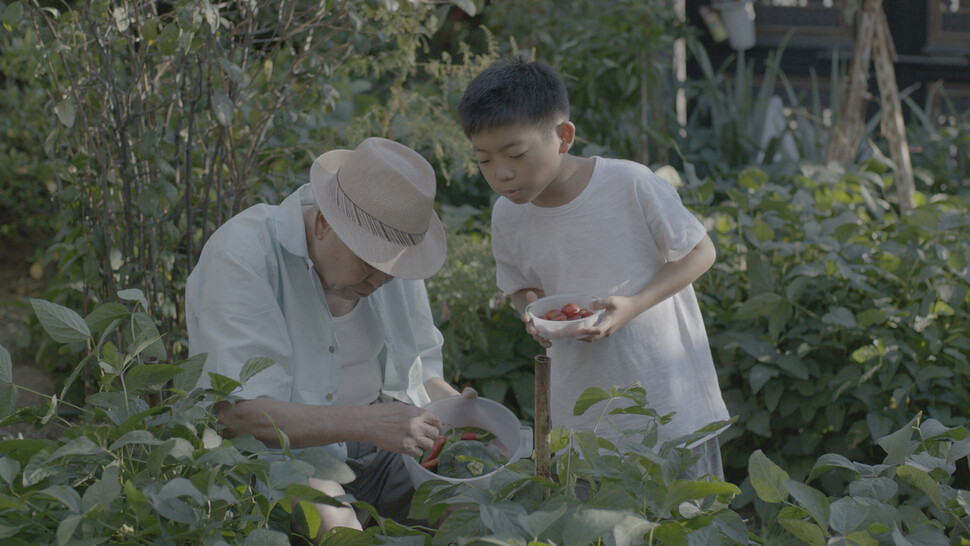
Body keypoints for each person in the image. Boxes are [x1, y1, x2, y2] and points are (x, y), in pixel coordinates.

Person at [185, 137, 474, 537]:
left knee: (470, 512)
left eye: (392, 270)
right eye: (368, 262)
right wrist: (367, 422)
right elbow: (238, 414)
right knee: (341, 529)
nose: (380, 281)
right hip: (278, 458)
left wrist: (459, 410)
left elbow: (417, 371)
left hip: (380, 447)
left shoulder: (390, 266)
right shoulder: (242, 255)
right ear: (323, 222)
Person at [457, 58, 730, 479]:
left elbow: (701, 252)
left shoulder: (629, 184)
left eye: (515, 154)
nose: (502, 174)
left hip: (671, 408)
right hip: (582, 420)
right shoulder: (507, 216)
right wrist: (529, 312)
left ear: (563, 136)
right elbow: (520, 287)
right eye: (484, 161)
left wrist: (634, 305)